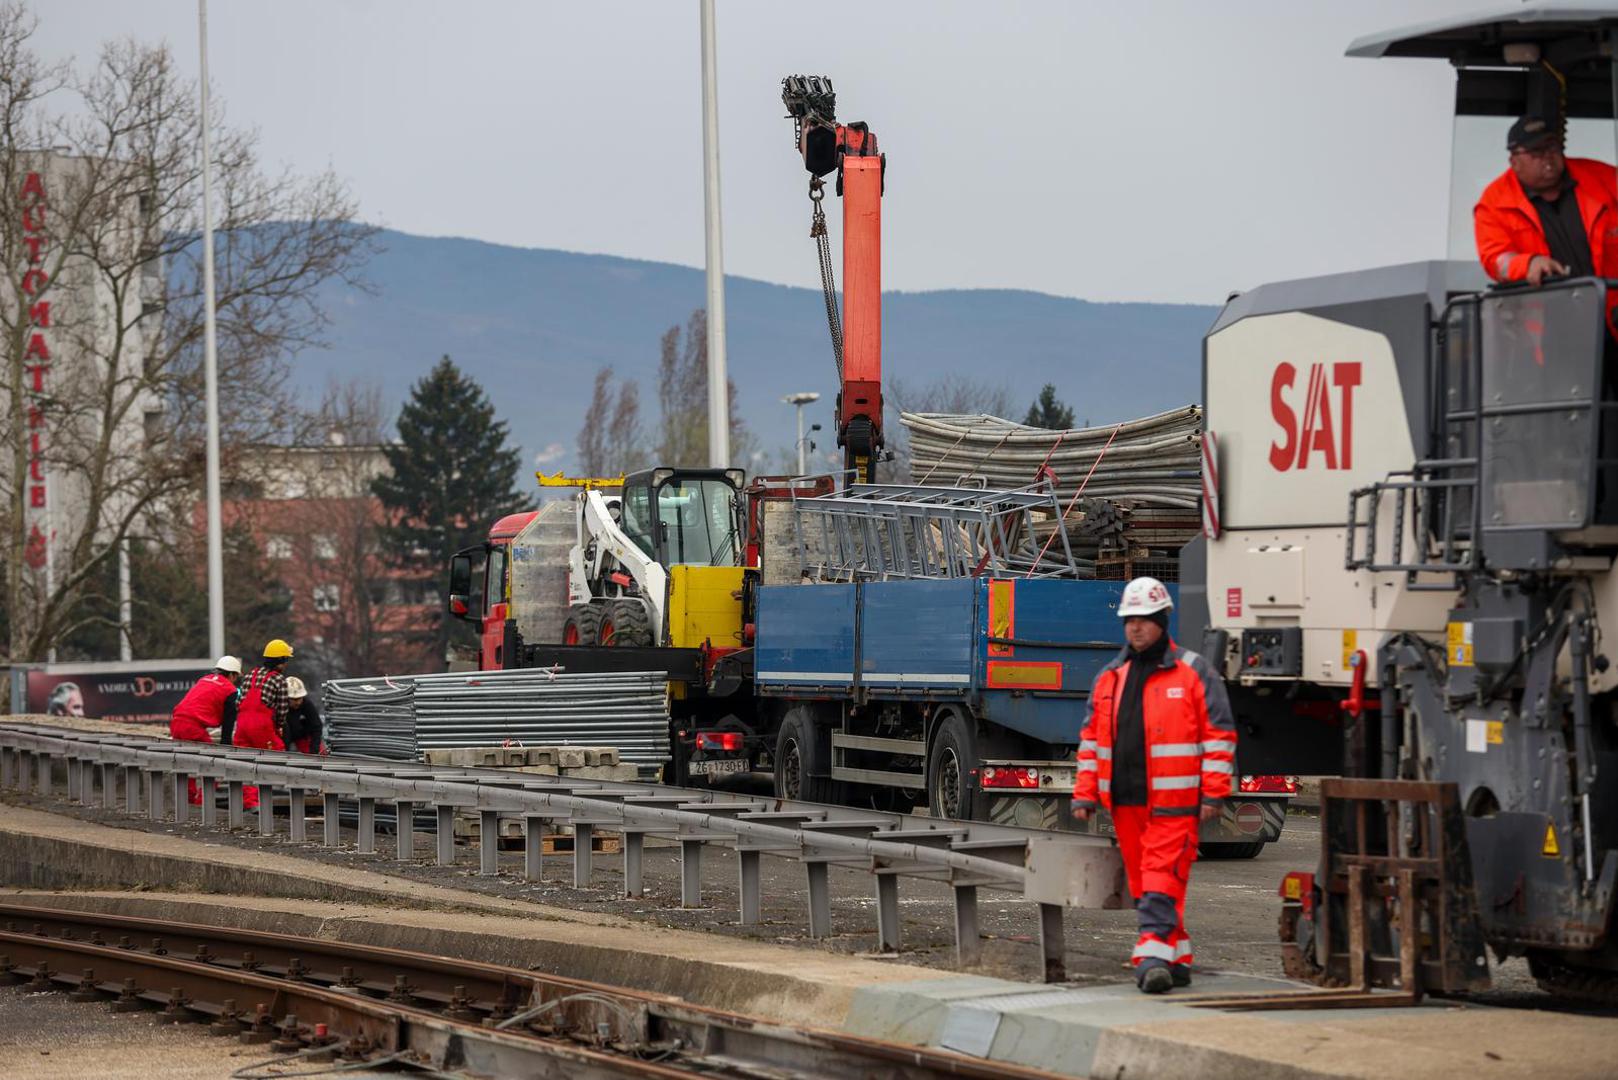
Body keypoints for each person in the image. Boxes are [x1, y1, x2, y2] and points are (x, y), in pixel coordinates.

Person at [1070, 577, 1236, 995]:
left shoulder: (1195, 672)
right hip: (1124, 802)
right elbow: (1091, 741)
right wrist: (1085, 793)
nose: (1135, 628)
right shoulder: (1110, 677)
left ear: (1163, 620)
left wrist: (1214, 791)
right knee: (1147, 883)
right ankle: (1177, 955)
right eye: (1130, 620)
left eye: (1144, 620)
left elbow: (1218, 736)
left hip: (1176, 803)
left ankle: (1151, 956)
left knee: (1162, 876)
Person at [1475, 115, 1618, 294]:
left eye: (1552, 148)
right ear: (1514, 162)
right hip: (1545, 314)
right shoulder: (1494, 203)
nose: (1547, 157)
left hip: (1610, 309)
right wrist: (1529, 264)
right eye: (1536, 151)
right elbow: (1495, 260)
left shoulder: (1604, 178)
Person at [169, 656, 243, 805]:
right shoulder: (230, 690)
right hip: (193, 728)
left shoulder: (204, 679)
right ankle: (200, 802)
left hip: (176, 723)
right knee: (214, 766)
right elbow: (227, 727)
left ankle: (188, 800)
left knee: (185, 764)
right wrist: (226, 748)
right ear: (233, 674)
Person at [232, 639, 295, 808]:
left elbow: (238, 702)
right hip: (261, 726)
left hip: (242, 725)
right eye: (286, 660)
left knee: (245, 764)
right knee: (275, 756)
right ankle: (264, 801)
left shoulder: (250, 675)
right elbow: (282, 709)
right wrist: (278, 727)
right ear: (280, 661)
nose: (286, 664)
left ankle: (250, 802)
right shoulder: (279, 680)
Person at [282, 677, 325, 755]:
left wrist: (314, 751)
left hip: (303, 737)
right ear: (286, 697)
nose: (298, 702)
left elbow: (317, 727)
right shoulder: (280, 706)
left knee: (321, 754)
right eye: (294, 699)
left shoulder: (307, 704)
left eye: (300, 698)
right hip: (284, 737)